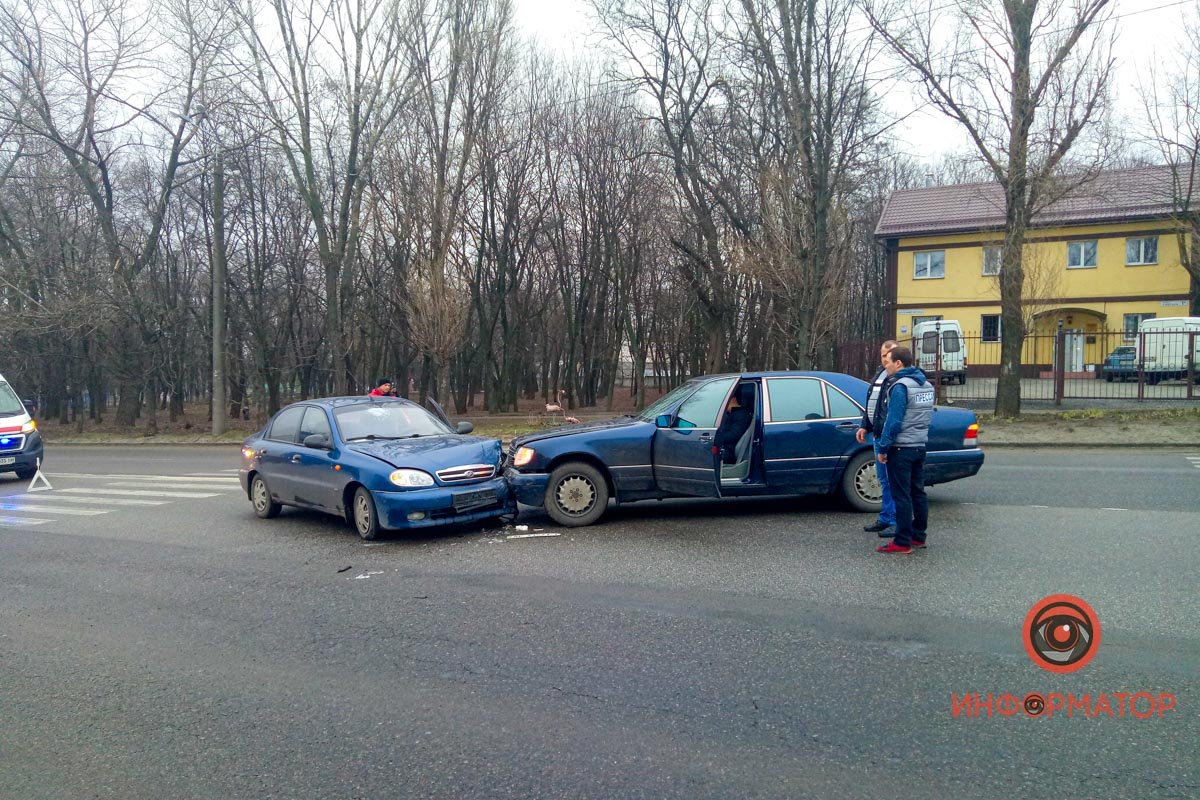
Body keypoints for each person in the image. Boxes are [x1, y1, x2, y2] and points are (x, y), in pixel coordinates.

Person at [874, 346, 934, 554]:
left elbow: (894, 421)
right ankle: (919, 537)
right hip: (919, 445)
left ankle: (902, 541)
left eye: (888, 361)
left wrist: (883, 447)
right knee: (918, 493)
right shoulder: (926, 384)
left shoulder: (900, 387)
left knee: (902, 496)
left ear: (899, 363)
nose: (886, 365)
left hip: (900, 448)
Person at [856, 339, 898, 536]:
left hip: (889, 438)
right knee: (883, 479)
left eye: (889, 355)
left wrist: (888, 439)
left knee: (892, 480)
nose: (885, 359)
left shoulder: (899, 377)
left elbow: (894, 413)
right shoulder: (880, 373)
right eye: (883, 355)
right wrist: (865, 425)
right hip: (877, 434)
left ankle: (895, 520)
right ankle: (886, 517)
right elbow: (872, 402)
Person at [716, 385, 753, 465]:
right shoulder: (732, 414)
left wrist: (716, 438)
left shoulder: (741, 415)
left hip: (728, 450)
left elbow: (734, 435)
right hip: (724, 447)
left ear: (733, 400)